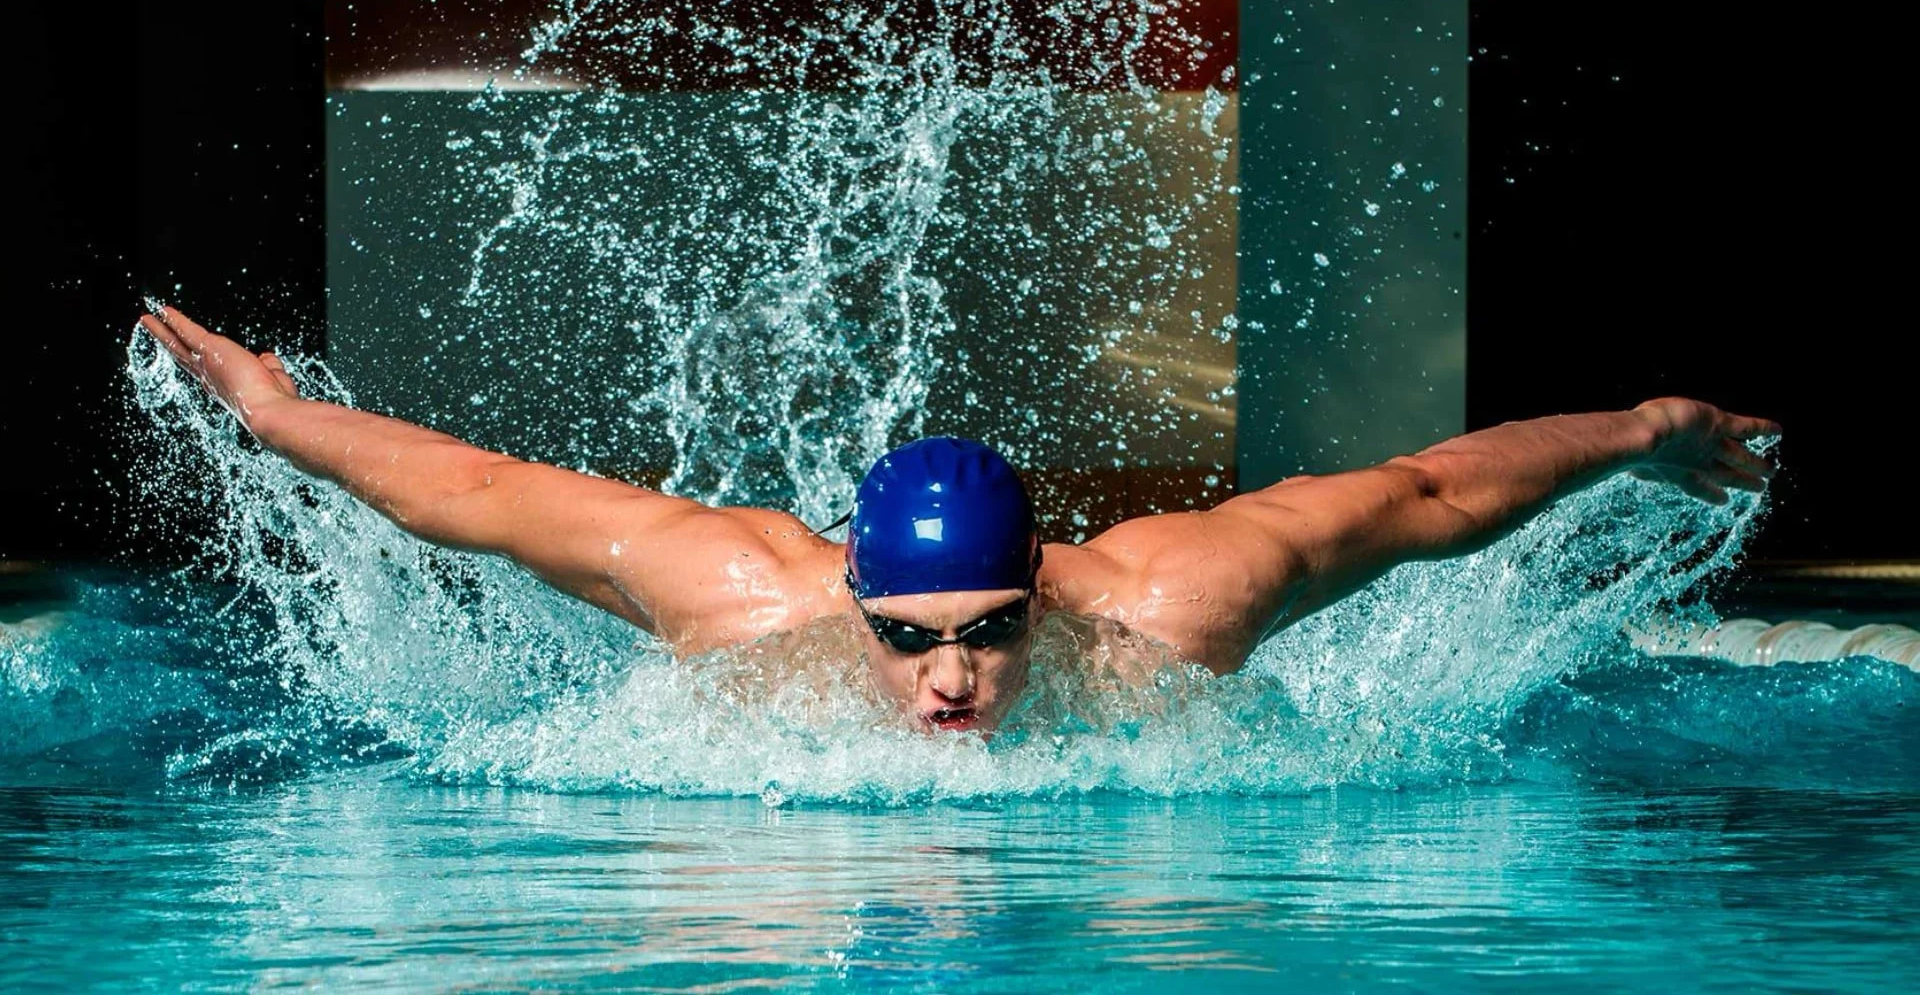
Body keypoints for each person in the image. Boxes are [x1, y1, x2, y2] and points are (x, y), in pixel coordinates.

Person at [137, 307, 1779, 735]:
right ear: (850, 598)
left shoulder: (1174, 605)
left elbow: (1427, 493)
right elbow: (485, 499)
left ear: (1046, 592)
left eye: (991, 632)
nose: (949, 684)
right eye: (910, 641)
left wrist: (1646, 431)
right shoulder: (744, 601)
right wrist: (282, 421)